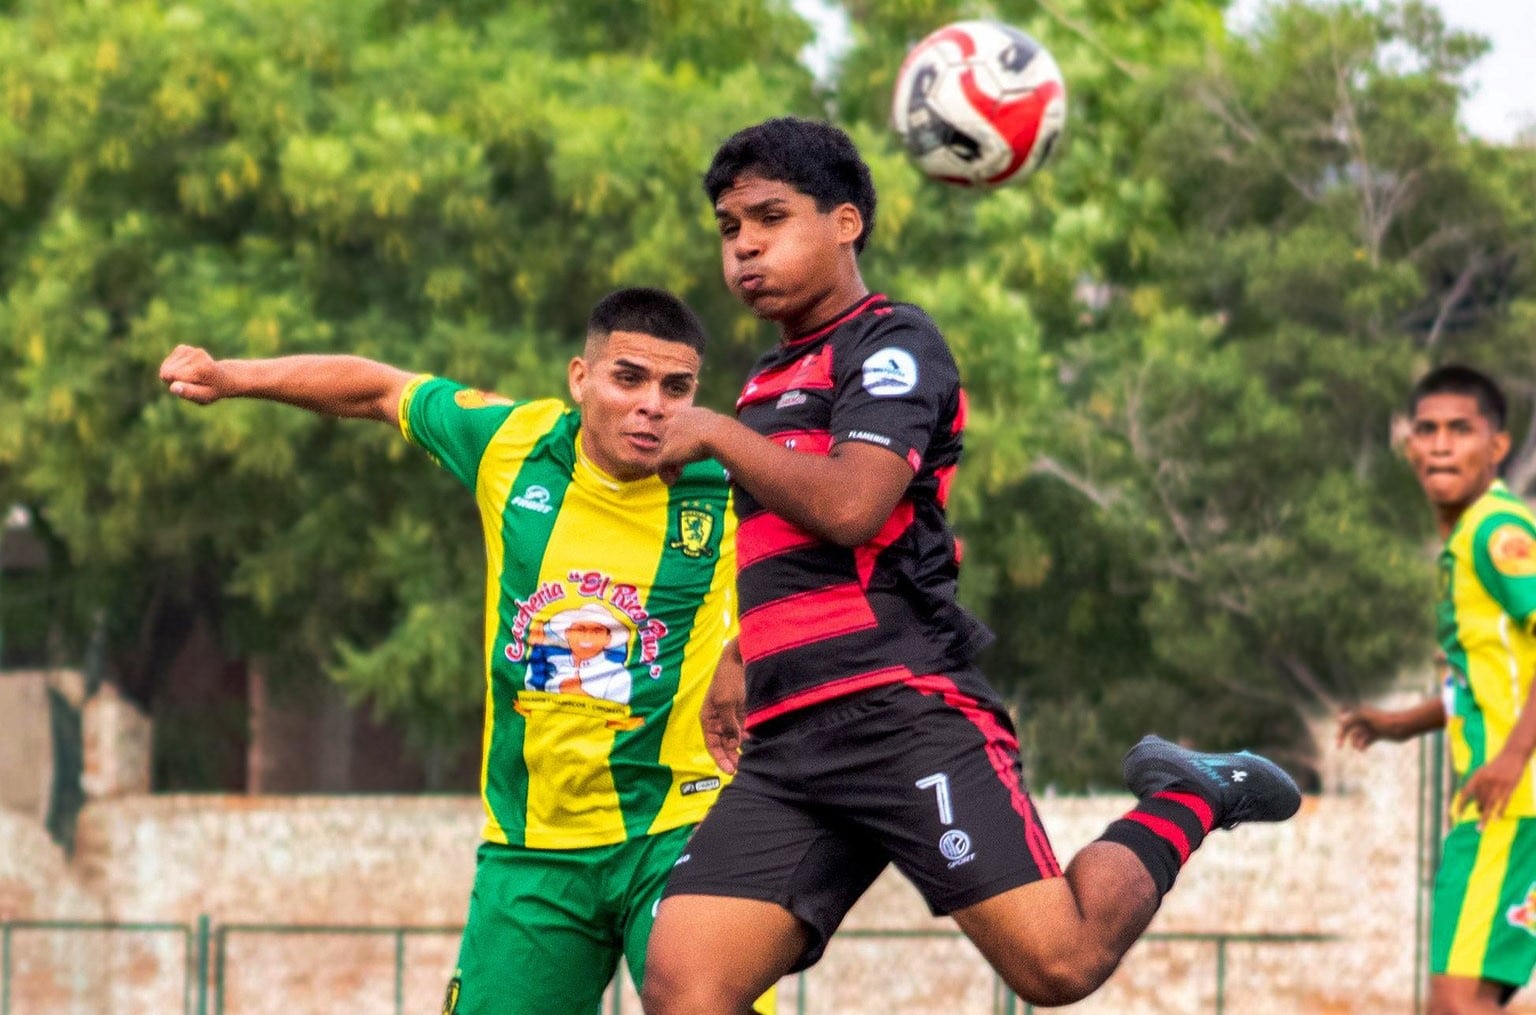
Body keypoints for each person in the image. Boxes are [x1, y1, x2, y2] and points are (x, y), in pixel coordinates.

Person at [636, 117, 1303, 1013]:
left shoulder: (893, 344)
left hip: (897, 710)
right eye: (729, 227)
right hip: (790, 741)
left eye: (770, 215)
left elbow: (849, 506)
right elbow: (796, 556)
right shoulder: (764, 380)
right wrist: (742, 654)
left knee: (1057, 966)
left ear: (845, 222)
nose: (746, 243)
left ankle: (1187, 795)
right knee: (686, 989)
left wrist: (712, 431)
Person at [159, 287, 773, 1015]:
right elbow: (380, 390)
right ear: (581, 378)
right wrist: (232, 376)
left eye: (677, 388)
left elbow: (836, 547)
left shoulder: (730, 478)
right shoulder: (512, 444)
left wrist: (742, 648)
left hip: (682, 826)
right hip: (532, 844)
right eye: (629, 377)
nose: (653, 404)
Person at [1338, 365, 1536, 1015]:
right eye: (1427, 430)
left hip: (1508, 802)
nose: (1443, 444)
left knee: (1455, 1002)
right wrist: (1400, 723)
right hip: (1504, 802)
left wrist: (1510, 756)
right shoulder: (1461, 540)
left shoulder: (1495, 532)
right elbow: (1482, 680)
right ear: (1410, 447)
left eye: (1461, 429)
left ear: (1497, 446)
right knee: (1472, 998)